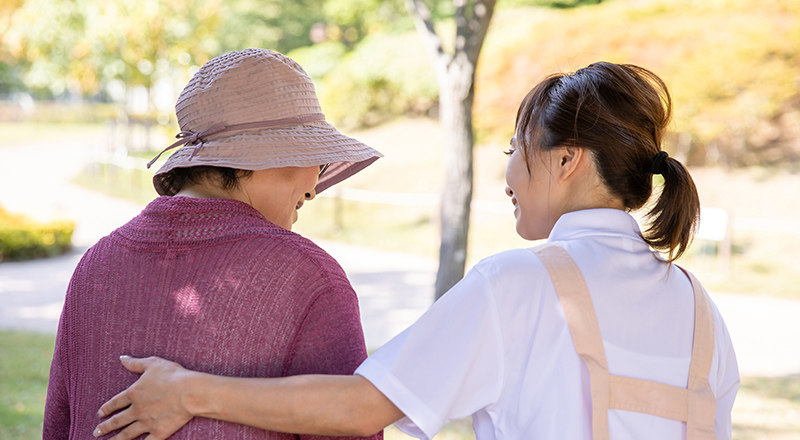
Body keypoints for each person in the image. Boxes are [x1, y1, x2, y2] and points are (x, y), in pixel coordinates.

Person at [92, 62, 740, 440]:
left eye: (514, 151)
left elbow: (364, 405)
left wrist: (189, 392)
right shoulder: (702, 312)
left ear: (567, 159)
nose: (507, 173)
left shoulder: (521, 284)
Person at [43, 48, 384, 440]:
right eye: (317, 157)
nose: (315, 183)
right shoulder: (306, 277)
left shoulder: (97, 263)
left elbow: (59, 425)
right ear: (272, 158)